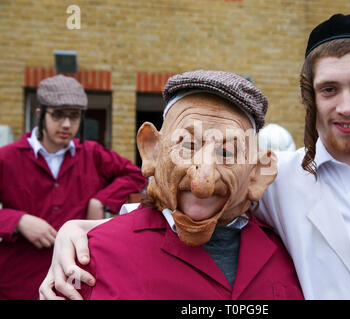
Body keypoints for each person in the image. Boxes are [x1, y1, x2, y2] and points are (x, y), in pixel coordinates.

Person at [40, 14, 350, 300]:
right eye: (329, 90)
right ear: (311, 98)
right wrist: (78, 232)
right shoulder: (286, 180)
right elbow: (179, 202)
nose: (346, 106)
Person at [40, 70, 303, 300]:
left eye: (227, 153)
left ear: (257, 173)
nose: (203, 184)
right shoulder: (91, 257)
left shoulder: (295, 254)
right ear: (152, 150)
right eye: (187, 146)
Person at [0, 75, 147, 299]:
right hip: (18, 278)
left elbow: (136, 174)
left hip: (72, 280)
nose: (67, 124)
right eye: (58, 115)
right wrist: (18, 220)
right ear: (40, 115)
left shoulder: (92, 153)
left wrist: (102, 200)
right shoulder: (7, 157)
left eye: (74, 116)